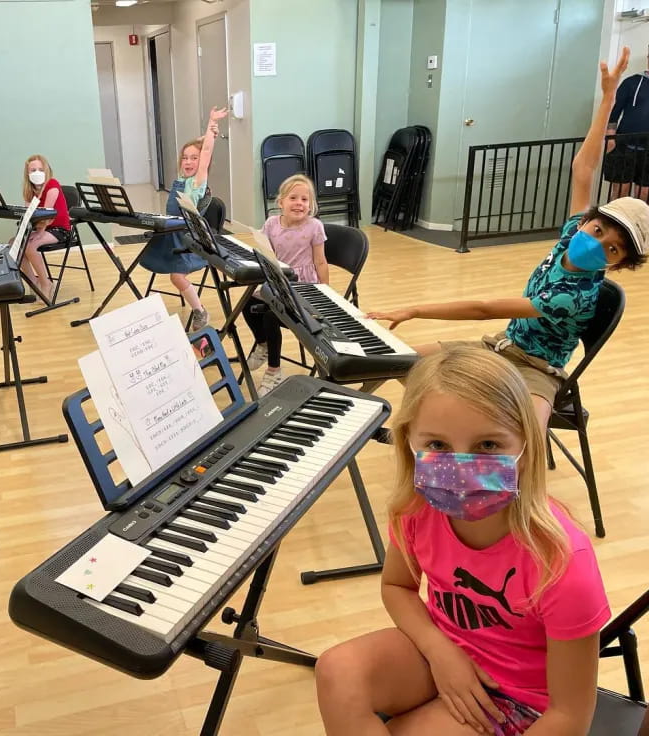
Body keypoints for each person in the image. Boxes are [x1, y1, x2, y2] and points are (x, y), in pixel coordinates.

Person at [315, 345, 611, 735]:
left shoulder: (560, 560)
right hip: (445, 648)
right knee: (337, 671)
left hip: (519, 699)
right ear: (408, 442)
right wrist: (441, 652)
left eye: (488, 445)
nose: (460, 469)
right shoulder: (415, 510)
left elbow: (570, 716)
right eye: (438, 446)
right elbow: (397, 587)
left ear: (526, 447)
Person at [367, 48, 648, 434]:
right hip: (502, 346)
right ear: (588, 222)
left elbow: (484, 308)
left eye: (612, 249)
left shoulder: (575, 295)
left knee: (523, 438)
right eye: (598, 231)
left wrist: (414, 309)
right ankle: (426, 427)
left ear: (618, 263)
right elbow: (583, 167)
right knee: (400, 362)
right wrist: (608, 100)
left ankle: (465, 437)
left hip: (537, 370)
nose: (596, 244)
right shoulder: (573, 233)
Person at [139, 106, 229, 331]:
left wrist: (211, 125)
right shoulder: (182, 178)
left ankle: (200, 311)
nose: (188, 162)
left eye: (194, 158)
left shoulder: (197, 182)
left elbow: (206, 151)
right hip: (171, 232)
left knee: (176, 277)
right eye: (185, 158)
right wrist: (205, 136)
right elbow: (200, 147)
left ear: (203, 163)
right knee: (161, 267)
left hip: (188, 239)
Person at [242, 174, 328, 395]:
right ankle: (263, 343)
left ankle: (274, 370)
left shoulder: (314, 227)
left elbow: (320, 261)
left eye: (305, 199)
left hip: (302, 286)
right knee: (247, 304)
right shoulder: (271, 224)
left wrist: (325, 291)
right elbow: (265, 253)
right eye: (293, 198)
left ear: (311, 205)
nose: (299, 203)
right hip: (277, 281)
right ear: (280, 202)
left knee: (272, 315)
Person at [18, 154, 72, 300]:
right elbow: (29, 214)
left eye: (40, 169)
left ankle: (46, 283)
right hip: (40, 227)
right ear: (27, 173)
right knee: (14, 245)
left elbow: (46, 215)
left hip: (59, 229)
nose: (37, 173)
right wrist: (31, 232)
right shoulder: (29, 190)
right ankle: (33, 282)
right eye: (33, 170)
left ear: (46, 170)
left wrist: (39, 233)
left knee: (30, 246)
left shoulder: (52, 185)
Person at [604, 45, 649, 200]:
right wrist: (610, 138)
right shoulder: (631, 82)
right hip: (624, 145)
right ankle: (615, 217)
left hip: (648, 150)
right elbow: (614, 111)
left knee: (644, 194)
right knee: (621, 192)